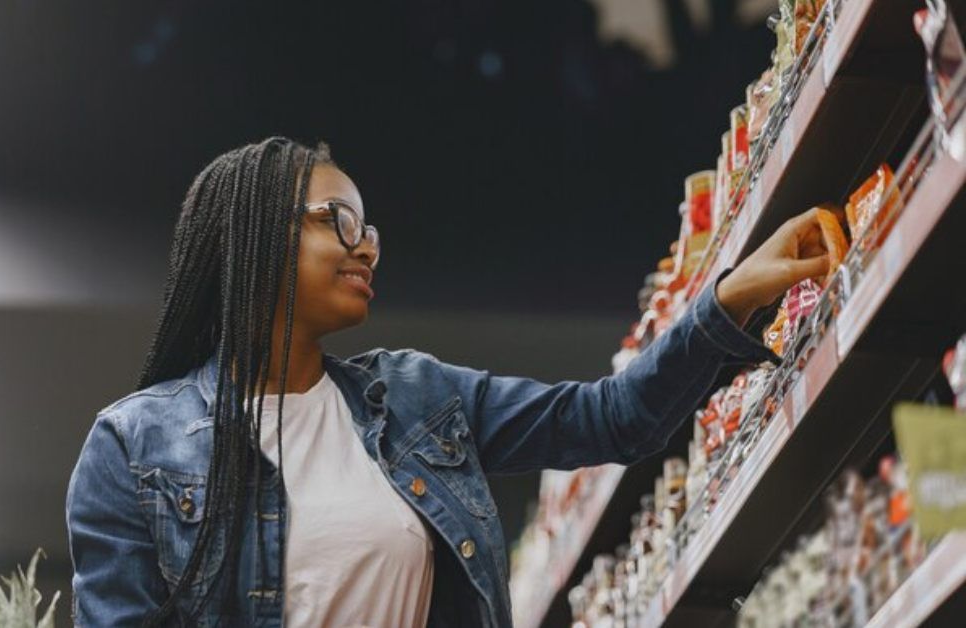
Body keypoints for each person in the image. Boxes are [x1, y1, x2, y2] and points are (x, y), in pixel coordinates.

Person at [65, 137, 830, 627]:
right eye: (339, 220)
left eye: (370, 230)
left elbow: (613, 419)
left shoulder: (418, 400)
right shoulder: (134, 448)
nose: (366, 248)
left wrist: (729, 298)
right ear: (255, 235)